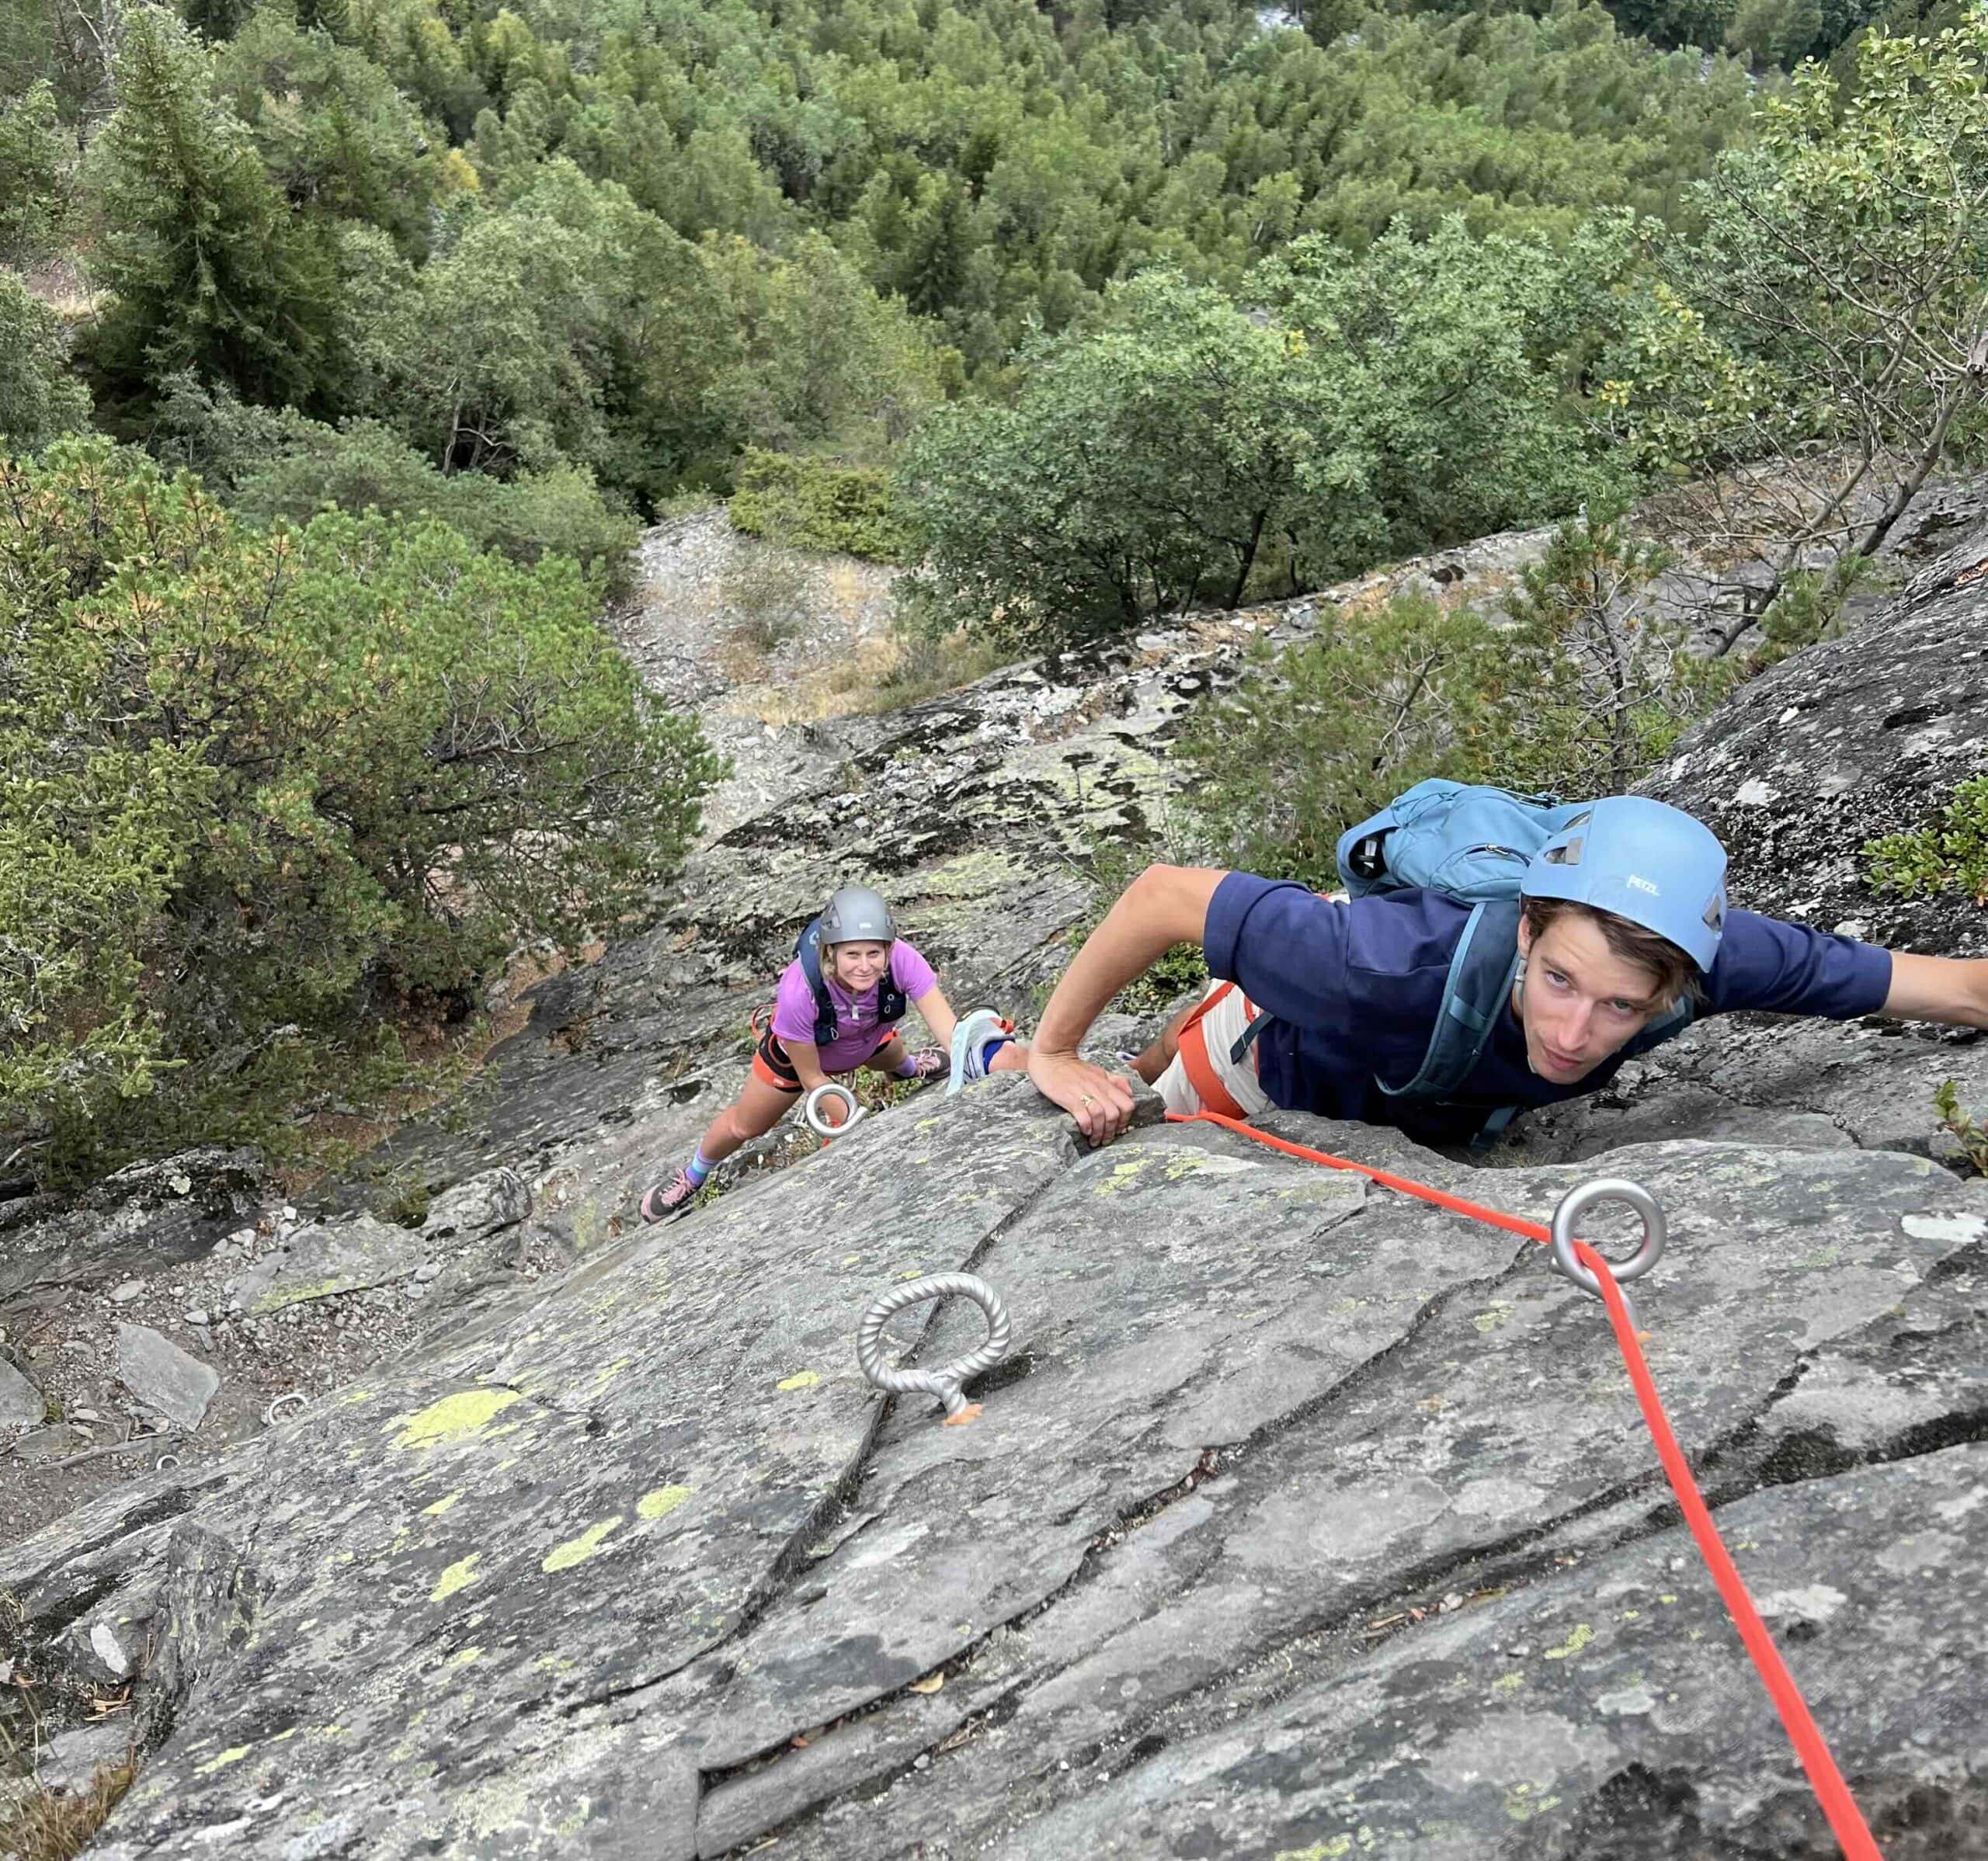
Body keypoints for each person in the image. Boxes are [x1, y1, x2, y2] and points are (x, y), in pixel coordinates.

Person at [1024, 794, 1988, 1149]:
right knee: (1147, 1096)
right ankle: (1013, 1053)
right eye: (1561, 981)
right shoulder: (1382, 967)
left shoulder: (1702, 958)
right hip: (1269, 1065)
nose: (1574, 1038)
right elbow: (1161, 896)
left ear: (1681, 984)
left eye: (1623, 1008)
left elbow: (1951, 987)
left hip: (1401, 1069)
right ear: (1526, 928)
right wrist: (1055, 1051)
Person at [641, 886, 1027, 1218]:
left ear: (889, 949)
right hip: (803, 1061)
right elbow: (813, 1080)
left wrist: (987, 1054)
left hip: (870, 1041)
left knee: (896, 1056)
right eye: (852, 955)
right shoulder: (800, 991)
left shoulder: (903, 961)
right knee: (746, 1126)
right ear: (830, 953)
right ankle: (692, 1175)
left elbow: (952, 1032)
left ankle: (910, 1069)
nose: (864, 966)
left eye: (874, 954)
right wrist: (858, 1127)